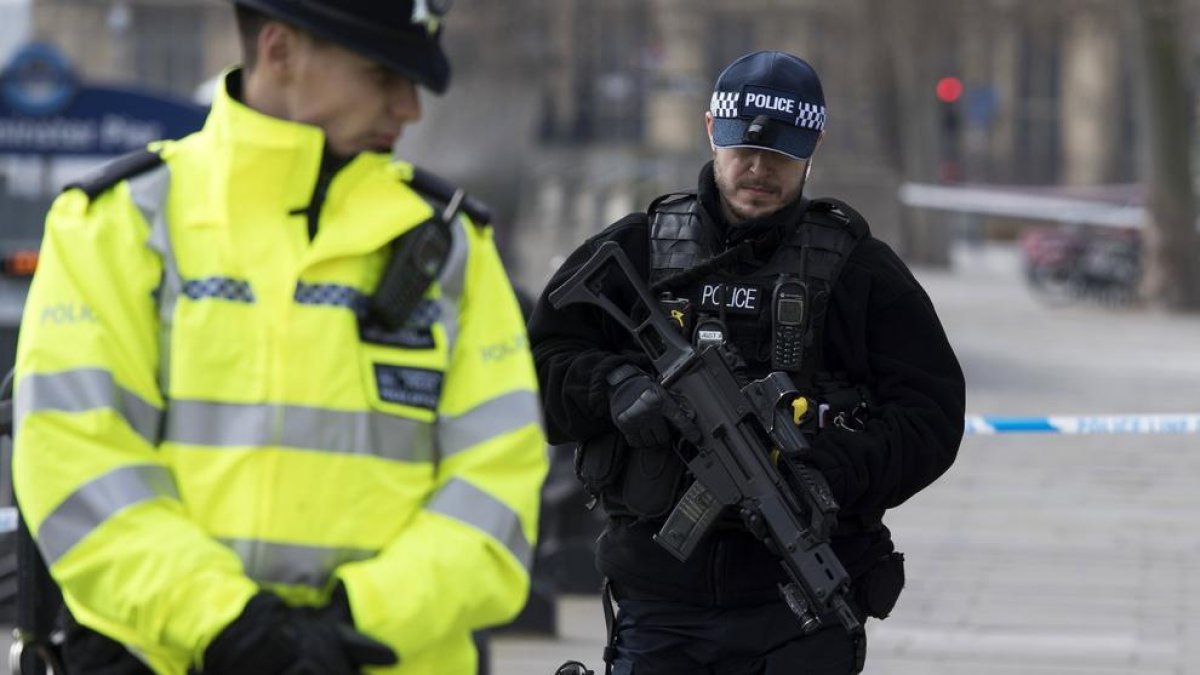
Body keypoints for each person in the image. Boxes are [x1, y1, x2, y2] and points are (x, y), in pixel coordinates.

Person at [11, 1, 548, 674]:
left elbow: (498, 483)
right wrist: (229, 625)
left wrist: (356, 621)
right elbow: (75, 461)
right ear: (280, 50)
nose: (409, 107)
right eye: (384, 74)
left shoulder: (454, 249)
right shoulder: (119, 224)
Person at [528, 50, 965, 674]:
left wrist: (828, 474)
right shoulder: (635, 251)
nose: (758, 169)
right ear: (711, 131)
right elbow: (536, 365)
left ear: (813, 147)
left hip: (794, 607)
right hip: (659, 600)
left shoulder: (859, 271)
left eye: (780, 154)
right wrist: (614, 386)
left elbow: (931, 416)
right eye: (742, 150)